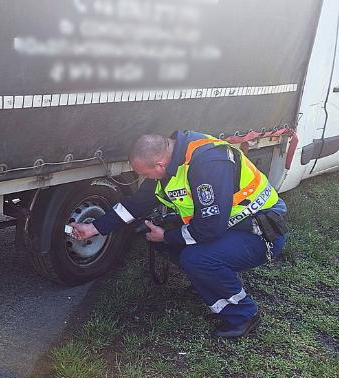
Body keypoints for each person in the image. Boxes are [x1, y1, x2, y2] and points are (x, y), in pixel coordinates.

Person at [71, 131, 288, 338]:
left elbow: (210, 227)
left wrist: (166, 236)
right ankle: (210, 283)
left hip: (260, 233)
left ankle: (243, 315)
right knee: (162, 239)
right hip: (227, 226)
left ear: (159, 164)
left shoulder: (208, 164)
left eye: (145, 174)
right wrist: (94, 228)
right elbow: (136, 204)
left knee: (196, 259)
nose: (145, 178)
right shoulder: (170, 165)